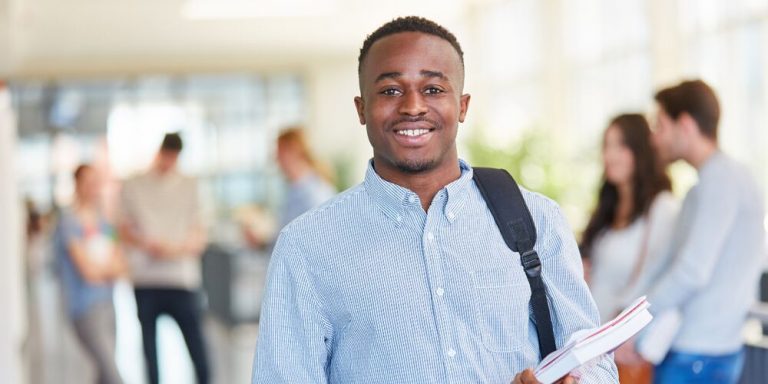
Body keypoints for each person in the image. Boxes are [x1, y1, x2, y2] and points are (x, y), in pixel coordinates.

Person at [251, 16, 617, 384]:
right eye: (391, 91)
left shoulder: (537, 218)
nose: (412, 107)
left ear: (462, 105)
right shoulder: (307, 245)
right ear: (361, 109)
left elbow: (595, 360)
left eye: (433, 89)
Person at [631, 80, 765, 383]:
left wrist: (633, 326)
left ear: (686, 124)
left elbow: (691, 271)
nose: (654, 138)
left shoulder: (721, 179)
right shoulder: (707, 185)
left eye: (660, 125)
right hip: (702, 350)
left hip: (698, 353)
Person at [580, 114, 678, 383]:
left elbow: (658, 282)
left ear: (640, 150)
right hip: (592, 348)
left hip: (624, 349)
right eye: (607, 145)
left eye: (620, 145)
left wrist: (627, 336)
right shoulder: (607, 209)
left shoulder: (662, 208)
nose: (610, 155)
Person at [119, 133, 210, 384]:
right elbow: (123, 229)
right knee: (150, 352)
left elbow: (199, 235)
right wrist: (146, 244)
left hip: (181, 279)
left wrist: (173, 249)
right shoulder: (134, 184)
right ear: (159, 152)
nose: (168, 162)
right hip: (146, 279)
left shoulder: (190, 185)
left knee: (197, 348)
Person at [54, 164, 125, 384]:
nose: (93, 188)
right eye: (88, 182)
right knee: (113, 376)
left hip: (108, 306)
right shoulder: (68, 224)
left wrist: (102, 268)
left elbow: (121, 266)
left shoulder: (105, 224)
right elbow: (88, 273)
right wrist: (105, 270)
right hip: (85, 310)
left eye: (96, 182)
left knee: (104, 375)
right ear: (77, 185)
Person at [243, 127, 336, 247]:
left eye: (279, 153)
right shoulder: (296, 191)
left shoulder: (314, 195)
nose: (276, 159)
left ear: (291, 152)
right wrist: (262, 243)